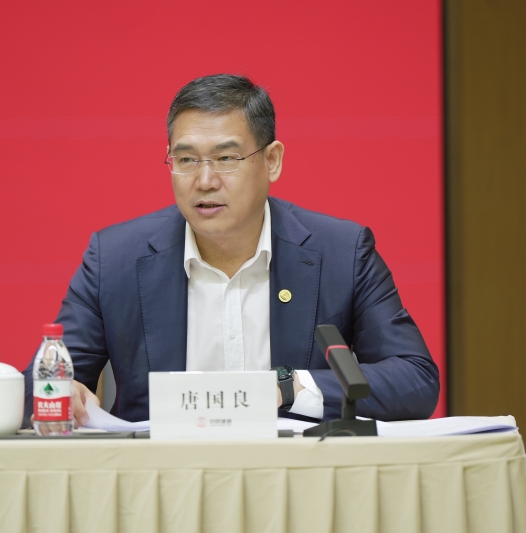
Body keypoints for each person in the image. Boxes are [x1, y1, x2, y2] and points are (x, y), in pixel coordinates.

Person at [23, 74, 439, 426]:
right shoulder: (115, 258)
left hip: (295, 479)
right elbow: (36, 387)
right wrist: (62, 392)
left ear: (272, 160)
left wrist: (289, 388)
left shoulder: (341, 253)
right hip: (160, 481)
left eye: (226, 158)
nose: (205, 180)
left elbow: (415, 380)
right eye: (186, 160)